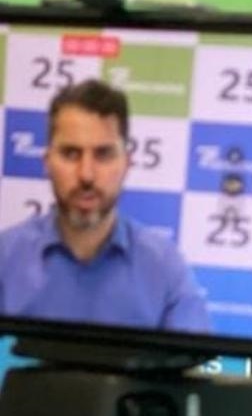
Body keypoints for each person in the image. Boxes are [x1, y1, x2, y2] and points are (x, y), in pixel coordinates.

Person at [0, 79, 211, 333]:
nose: (86, 174)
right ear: (47, 162)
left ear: (127, 164)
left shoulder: (164, 267)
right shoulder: (5, 259)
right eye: (70, 154)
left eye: (103, 154)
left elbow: (193, 356)